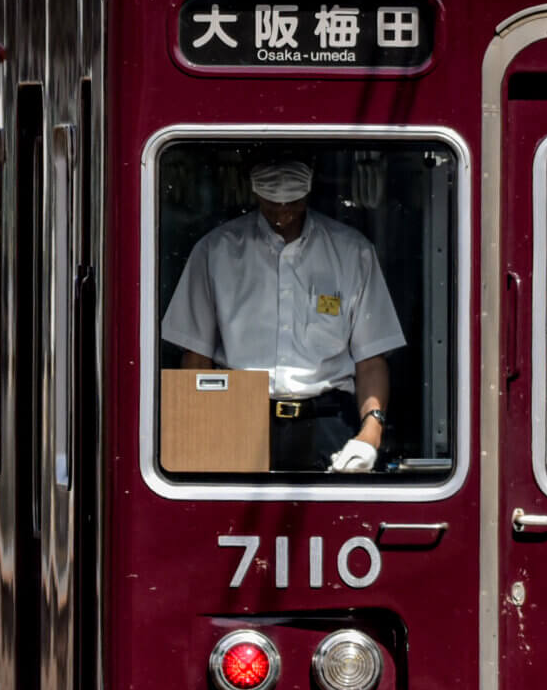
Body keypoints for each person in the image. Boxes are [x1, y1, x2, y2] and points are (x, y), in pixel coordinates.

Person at [160, 158, 404, 473]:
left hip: (327, 421)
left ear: (308, 195)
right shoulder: (215, 252)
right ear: (255, 194)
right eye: (272, 204)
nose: (282, 212)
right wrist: (197, 437)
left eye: (292, 203)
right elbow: (196, 357)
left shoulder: (352, 253)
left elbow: (371, 358)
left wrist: (369, 436)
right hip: (236, 415)